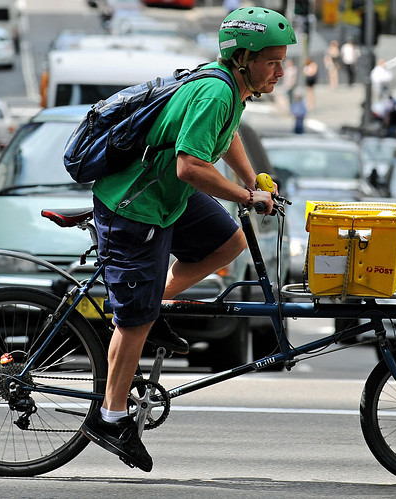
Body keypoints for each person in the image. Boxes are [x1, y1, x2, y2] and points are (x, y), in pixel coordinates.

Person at [81, 7, 295, 472]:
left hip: (167, 199)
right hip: (134, 207)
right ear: (242, 57)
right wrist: (246, 195)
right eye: (273, 61)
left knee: (228, 242)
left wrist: (251, 180)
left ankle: (151, 305)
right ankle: (109, 417)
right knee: (133, 323)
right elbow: (189, 167)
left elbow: (227, 133)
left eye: (283, 61)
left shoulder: (230, 88)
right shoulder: (215, 91)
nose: (281, 71)